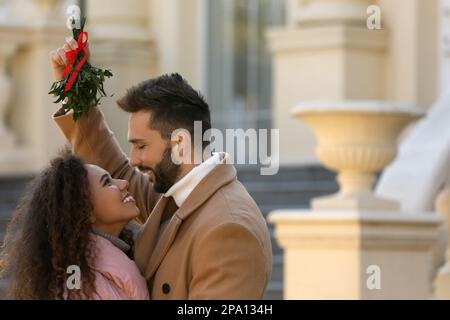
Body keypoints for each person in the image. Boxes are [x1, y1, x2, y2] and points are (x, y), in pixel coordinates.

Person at [49, 38, 273, 299]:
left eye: (141, 146)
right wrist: (76, 90)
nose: (133, 159)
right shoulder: (180, 193)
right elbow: (116, 170)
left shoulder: (229, 228)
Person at [0, 151, 149, 300]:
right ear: (85, 210)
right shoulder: (79, 285)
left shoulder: (100, 268)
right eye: (107, 182)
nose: (124, 183)